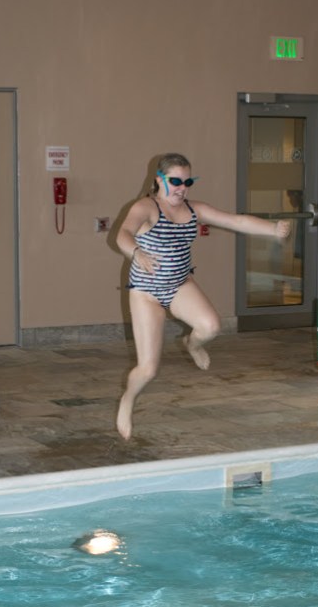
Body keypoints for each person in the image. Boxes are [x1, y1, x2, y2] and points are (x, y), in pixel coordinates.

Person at [115, 152, 290, 440]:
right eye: (175, 181)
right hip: (146, 292)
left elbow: (236, 222)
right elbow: (123, 233)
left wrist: (272, 229)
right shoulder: (146, 207)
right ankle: (128, 399)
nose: (182, 188)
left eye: (187, 182)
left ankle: (192, 344)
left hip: (180, 284)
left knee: (211, 327)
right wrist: (136, 252)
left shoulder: (194, 209)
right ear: (159, 180)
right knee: (148, 370)